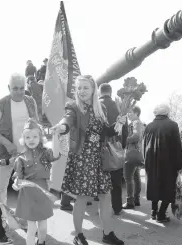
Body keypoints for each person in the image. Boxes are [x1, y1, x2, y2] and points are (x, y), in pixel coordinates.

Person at [52, 75, 125, 245]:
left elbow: (106, 132)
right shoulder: (74, 106)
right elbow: (68, 119)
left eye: (85, 87)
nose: (82, 91)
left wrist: (118, 124)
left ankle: (107, 233)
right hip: (83, 158)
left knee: (105, 196)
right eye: (79, 88)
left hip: (99, 159)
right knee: (83, 198)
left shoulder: (100, 109)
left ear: (93, 89)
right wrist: (62, 127)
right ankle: (78, 235)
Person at [0, 73, 39, 228]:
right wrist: (6, 143)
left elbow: (36, 125)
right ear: (8, 88)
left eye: (22, 88)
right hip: (5, 153)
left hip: (27, 153)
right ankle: (3, 218)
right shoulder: (1, 103)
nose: (19, 92)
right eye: (15, 88)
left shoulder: (30, 101)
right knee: (1, 187)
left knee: (26, 187)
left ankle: (25, 219)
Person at [12, 119, 60, 245]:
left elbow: (56, 155)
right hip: (27, 195)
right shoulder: (21, 157)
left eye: (34, 136)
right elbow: (17, 177)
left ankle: (41, 242)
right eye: (27, 137)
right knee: (32, 227)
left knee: (43, 227)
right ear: (23, 139)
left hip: (42, 193)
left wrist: (56, 136)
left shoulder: (46, 153)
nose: (31, 139)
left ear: (40, 137)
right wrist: (15, 183)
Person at [143, 104, 182, 222]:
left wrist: (145, 161)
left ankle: (153, 211)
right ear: (167, 112)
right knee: (168, 187)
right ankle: (161, 214)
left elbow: (143, 144)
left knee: (154, 185)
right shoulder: (172, 125)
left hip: (151, 161)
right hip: (168, 162)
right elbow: (177, 145)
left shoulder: (149, 126)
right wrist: (180, 163)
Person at [99, 83, 125, 215]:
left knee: (100, 177)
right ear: (110, 91)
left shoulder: (96, 104)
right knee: (115, 177)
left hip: (99, 145)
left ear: (100, 92)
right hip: (115, 144)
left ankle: (102, 207)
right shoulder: (118, 105)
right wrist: (122, 144)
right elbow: (123, 126)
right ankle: (117, 207)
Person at [122, 106, 144, 209]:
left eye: (130, 112)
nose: (128, 114)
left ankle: (130, 201)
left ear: (136, 113)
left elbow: (136, 136)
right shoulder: (138, 123)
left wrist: (125, 139)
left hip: (131, 152)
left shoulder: (136, 123)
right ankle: (136, 199)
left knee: (128, 177)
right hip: (136, 153)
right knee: (136, 177)